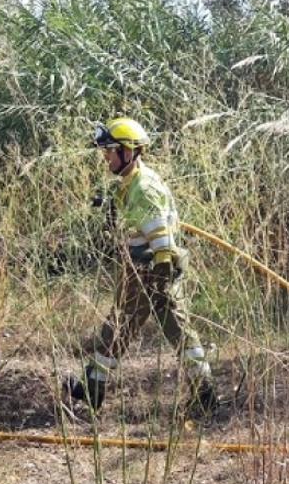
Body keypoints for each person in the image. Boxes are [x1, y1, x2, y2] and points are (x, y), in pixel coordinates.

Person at [65, 117, 215, 412]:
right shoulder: (133, 183)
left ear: (129, 151)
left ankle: (93, 386)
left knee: (120, 324)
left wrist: (157, 272)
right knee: (176, 331)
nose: (106, 157)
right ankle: (204, 390)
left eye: (110, 151)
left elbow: (160, 234)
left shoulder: (143, 187)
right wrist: (110, 203)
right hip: (151, 272)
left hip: (148, 272)